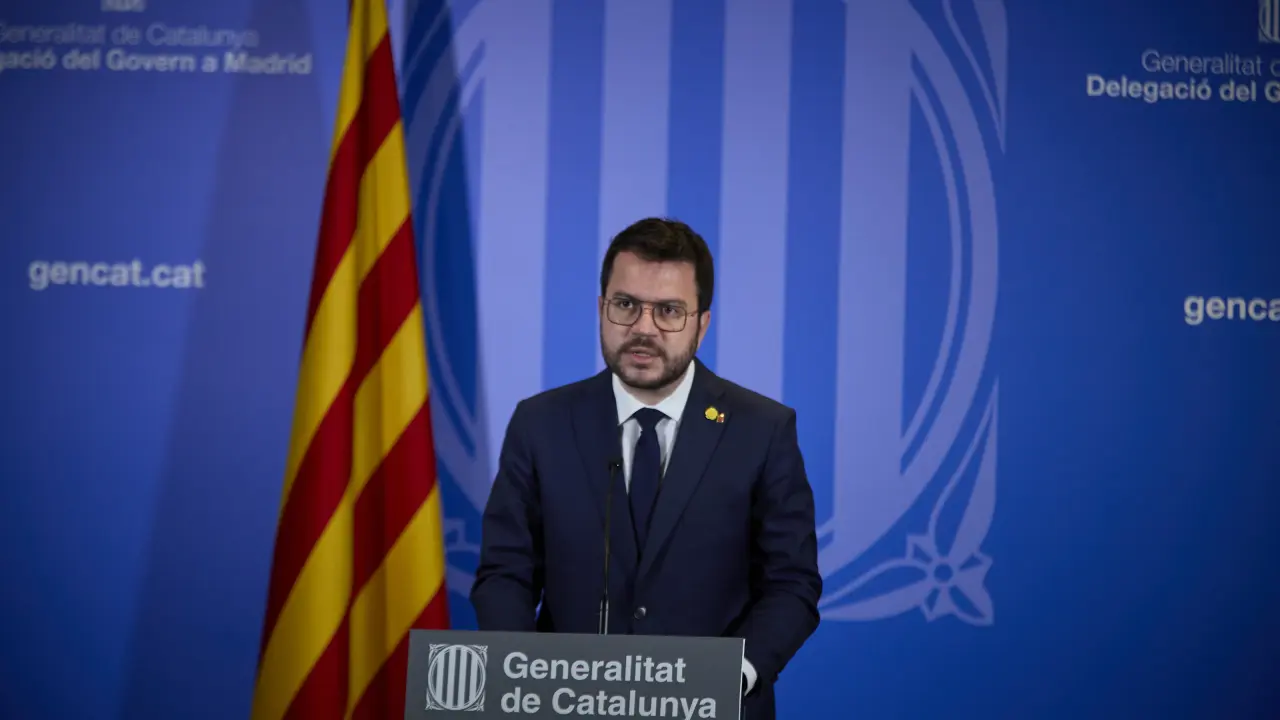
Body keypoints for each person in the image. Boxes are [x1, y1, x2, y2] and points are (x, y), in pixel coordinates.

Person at [470, 217, 822, 719]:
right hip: (568, 705)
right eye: (626, 305)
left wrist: (733, 675)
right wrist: (524, 677)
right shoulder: (541, 423)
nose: (643, 328)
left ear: (702, 324)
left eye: (669, 311)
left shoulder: (762, 430)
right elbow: (505, 573)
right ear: (601, 308)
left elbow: (792, 584)